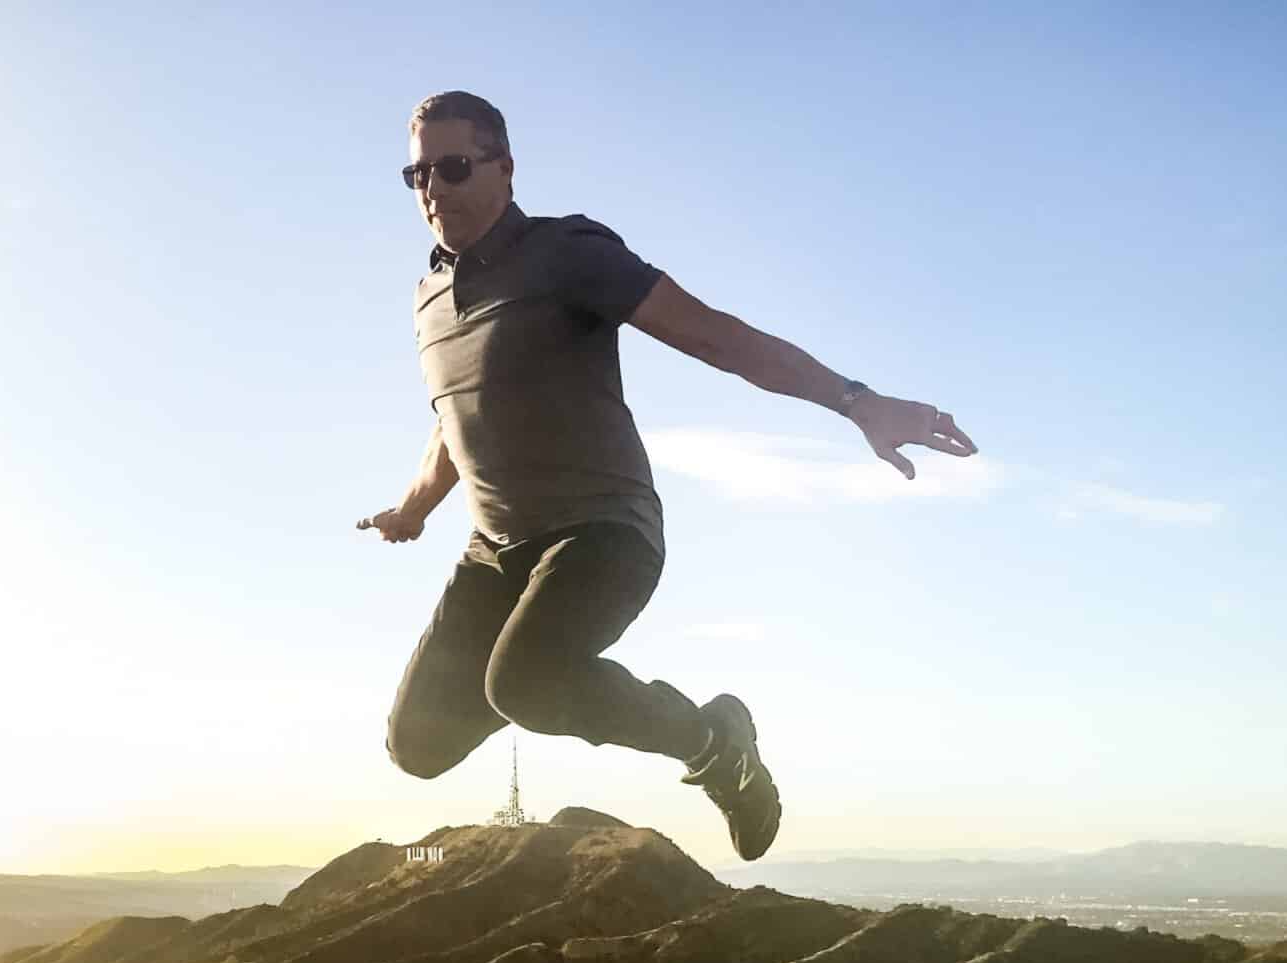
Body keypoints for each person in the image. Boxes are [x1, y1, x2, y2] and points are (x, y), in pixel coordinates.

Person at [358, 91, 976, 862]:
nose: (432, 190)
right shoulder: (430, 299)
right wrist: (413, 509)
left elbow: (715, 335)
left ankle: (713, 743)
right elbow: (454, 420)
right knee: (416, 745)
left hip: (602, 532)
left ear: (505, 169)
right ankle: (545, 682)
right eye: (416, 174)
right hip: (496, 552)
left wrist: (855, 401)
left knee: (522, 684)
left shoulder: (568, 254)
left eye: (452, 168)